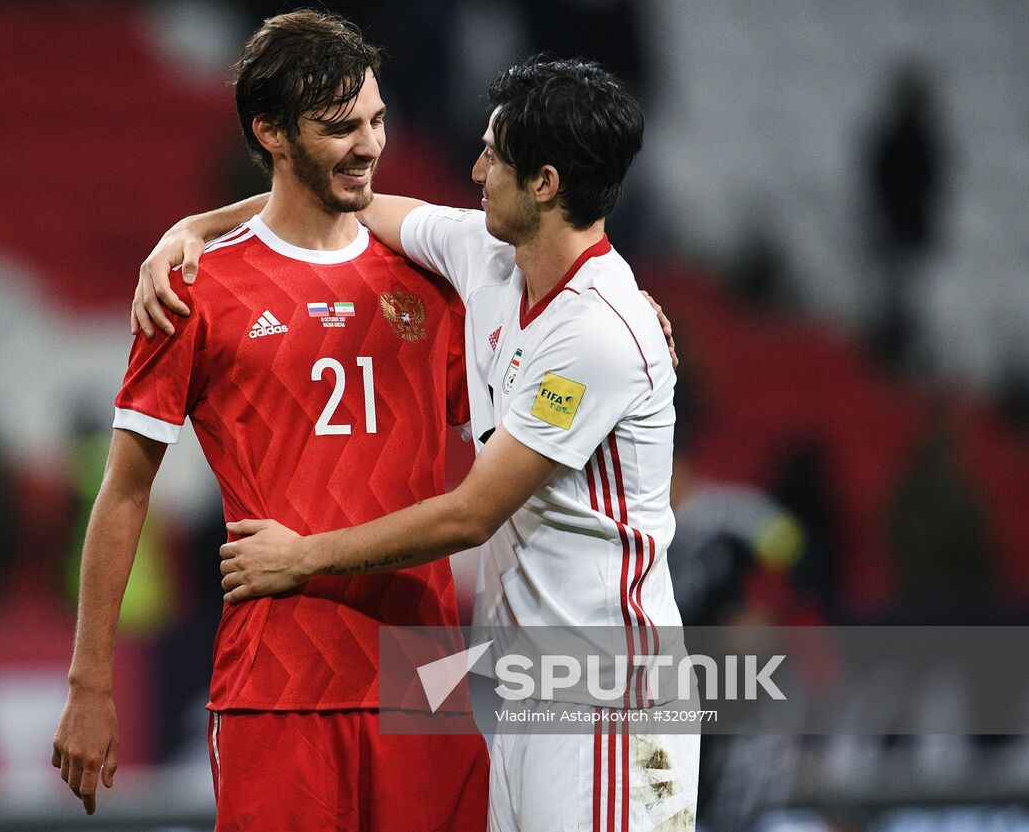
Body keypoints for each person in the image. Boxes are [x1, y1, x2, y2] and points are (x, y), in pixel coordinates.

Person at [144, 57, 696, 831]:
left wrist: (302, 555)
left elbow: (470, 514)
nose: (472, 170)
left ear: (542, 183)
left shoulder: (599, 333)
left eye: (492, 155)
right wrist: (197, 227)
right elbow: (341, 202)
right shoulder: (490, 255)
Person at [51, 8, 489, 830]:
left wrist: (624, 307)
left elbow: (509, 430)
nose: (369, 145)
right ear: (271, 133)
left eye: (378, 120)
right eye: (339, 127)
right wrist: (90, 682)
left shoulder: (431, 280)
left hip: (423, 678)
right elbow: (123, 492)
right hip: (279, 683)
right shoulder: (193, 290)